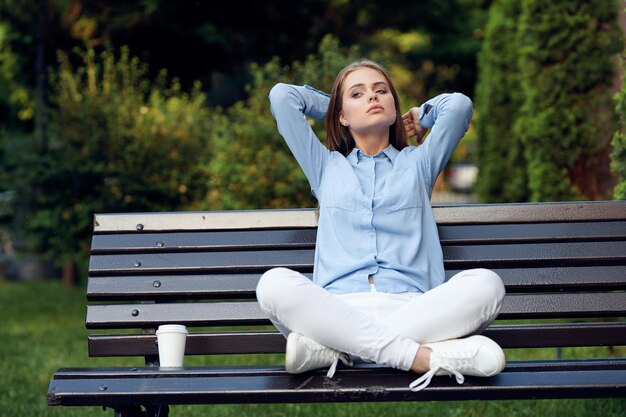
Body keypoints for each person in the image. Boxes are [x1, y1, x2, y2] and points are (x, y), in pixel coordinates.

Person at [256, 60, 506, 391]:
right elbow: (282, 97)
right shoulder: (325, 167)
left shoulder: (418, 164)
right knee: (273, 284)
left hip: (416, 311)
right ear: (342, 117)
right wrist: (334, 106)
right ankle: (422, 358)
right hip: (337, 311)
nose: (373, 97)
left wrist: (422, 116)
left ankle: (340, 351)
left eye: (381, 91)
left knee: (487, 285)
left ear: (393, 104)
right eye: (358, 94)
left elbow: (458, 107)